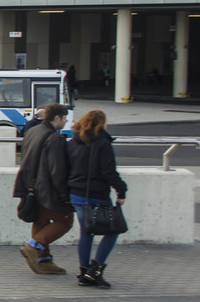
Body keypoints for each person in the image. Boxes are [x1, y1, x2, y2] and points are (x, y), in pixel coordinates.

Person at [66, 110, 127, 288]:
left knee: (86, 232)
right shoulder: (102, 143)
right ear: (102, 123)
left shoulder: (72, 142)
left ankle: (84, 271)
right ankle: (95, 271)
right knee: (112, 230)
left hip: (76, 194)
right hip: (96, 194)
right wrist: (121, 191)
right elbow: (108, 172)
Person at [13, 103, 73, 276]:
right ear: (57, 118)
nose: (66, 121)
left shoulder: (33, 131)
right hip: (46, 188)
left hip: (29, 185)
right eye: (64, 118)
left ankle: (44, 260)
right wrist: (64, 195)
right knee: (65, 221)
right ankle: (33, 247)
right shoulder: (54, 138)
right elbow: (57, 170)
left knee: (40, 221)